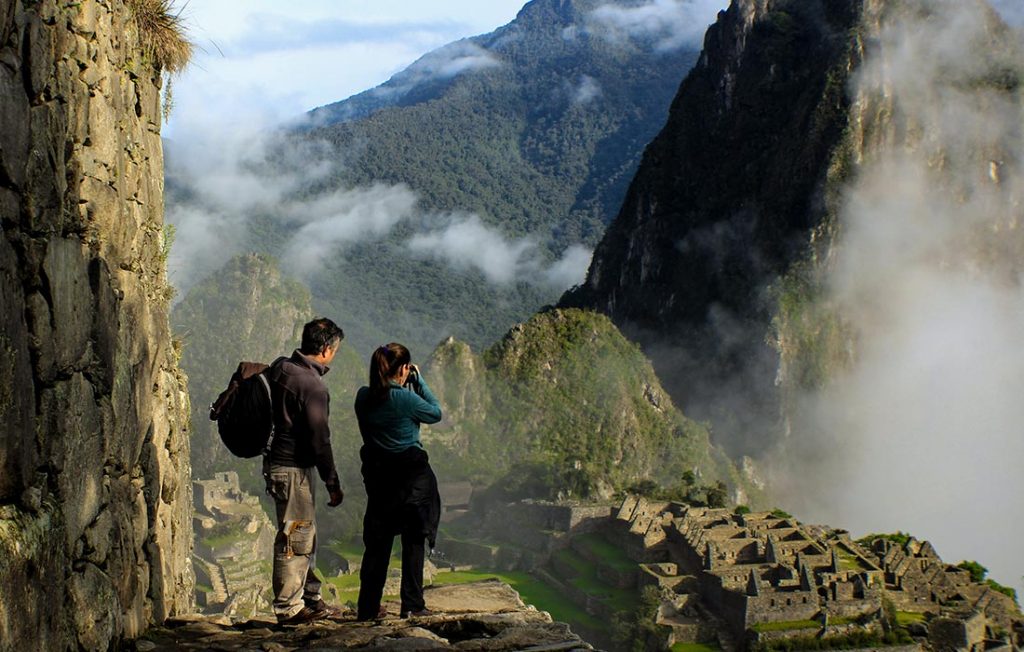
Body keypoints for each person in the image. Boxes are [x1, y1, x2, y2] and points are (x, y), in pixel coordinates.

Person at [264, 317, 346, 625]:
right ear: (325, 349)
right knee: (295, 538)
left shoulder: (282, 367)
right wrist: (332, 482)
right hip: (293, 468)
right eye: (335, 350)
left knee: (304, 536)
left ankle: (310, 598)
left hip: (277, 464)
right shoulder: (313, 386)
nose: (334, 356)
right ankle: (289, 609)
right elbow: (320, 441)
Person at [354, 343, 442, 621]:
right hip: (411, 479)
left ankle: (368, 608)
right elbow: (435, 412)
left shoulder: (363, 397)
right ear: (404, 369)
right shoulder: (406, 399)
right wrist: (420, 381)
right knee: (413, 540)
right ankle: (412, 604)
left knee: (377, 545)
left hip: (380, 480)